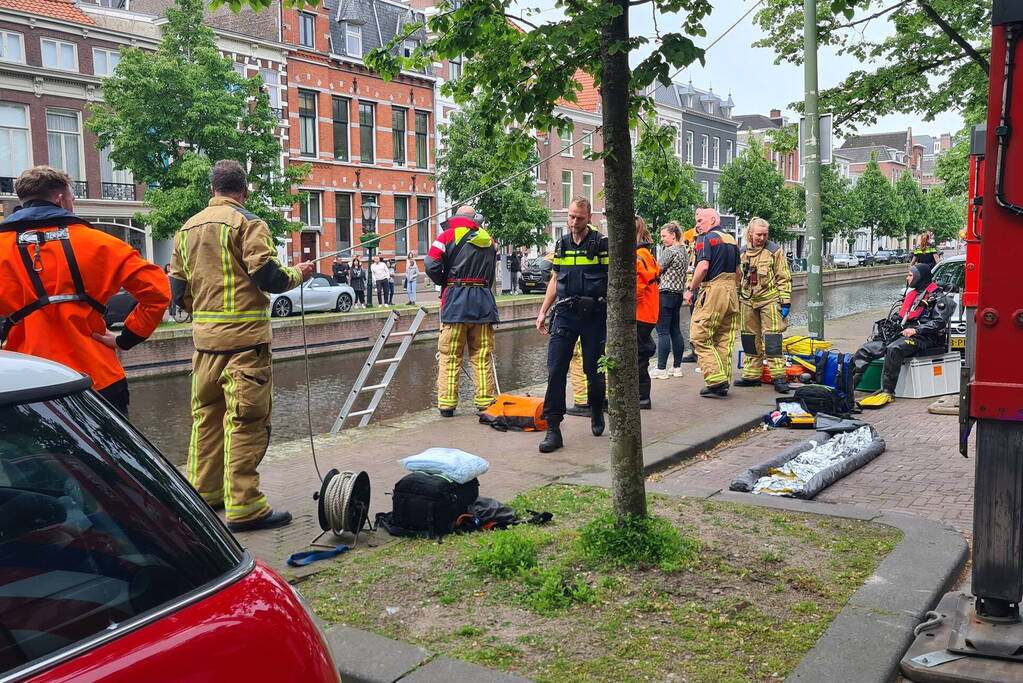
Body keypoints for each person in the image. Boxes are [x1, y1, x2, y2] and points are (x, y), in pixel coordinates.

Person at [169, 159, 313, 532]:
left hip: (204, 346)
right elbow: (268, 276)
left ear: (212, 190)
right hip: (245, 345)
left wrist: (203, 316)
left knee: (207, 420)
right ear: (244, 190)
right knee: (246, 421)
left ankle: (206, 494)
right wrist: (300, 274)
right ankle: (246, 506)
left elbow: (177, 288)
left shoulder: (186, 229)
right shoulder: (248, 223)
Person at [0, 166, 169, 417]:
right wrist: (126, 338)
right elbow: (157, 292)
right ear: (61, 199)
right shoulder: (100, 243)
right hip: (96, 376)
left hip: (26, 382)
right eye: (72, 198)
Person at [535, 197, 608, 452]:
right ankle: (553, 428)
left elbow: (612, 280)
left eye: (579, 218)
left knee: (593, 370)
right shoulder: (562, 244)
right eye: (571, 217)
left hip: (593, 316)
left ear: (589, 218)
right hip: (565, 313)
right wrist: (543, 311)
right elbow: (555, 279)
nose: (574, 222)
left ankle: (597, 407)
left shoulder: (601, 244)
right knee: (555, 370)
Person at [426, 205, 499, 417]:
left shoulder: (447, 236)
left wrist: (445, 282)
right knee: (482, 354)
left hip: (456, 302)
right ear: (475, 218)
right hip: (482, 303)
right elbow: (492, 272)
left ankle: (447, 405)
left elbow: (430, 263)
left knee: (450, 354)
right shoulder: (488, 240)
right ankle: (485, 402)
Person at [852, 264, 954, 408]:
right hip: (901, 334)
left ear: (920, 277)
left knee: (894, 348)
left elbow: (939, 323)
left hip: (926, 338)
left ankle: (888, 391)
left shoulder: (939, 298)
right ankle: (848, 389)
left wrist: (917, 330)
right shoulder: (911, 295)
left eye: (910, 275)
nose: (907, 278)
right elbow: (900, 315)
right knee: (866, 349)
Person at [683, 207, 740, 398]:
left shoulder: (706, 239)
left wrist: (691, 289)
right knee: (723, 338)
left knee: (699, 336)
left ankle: (716, 380)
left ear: (713, 220)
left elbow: (703, 266)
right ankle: (723, 381)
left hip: (713, 290)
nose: (697, 225)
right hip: (731, 290)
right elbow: (738, 271)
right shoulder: (732, 240)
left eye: (700, 221)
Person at [734, 217, 792, 394]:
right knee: (749, 339)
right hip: (747, 300)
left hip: (769, 299)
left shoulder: (774, 251)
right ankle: (752, 375)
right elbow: (737, 278)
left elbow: (783, 276)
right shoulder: (742, 253)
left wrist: (785, 301)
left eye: (765, 235)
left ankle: (779, 377)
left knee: (773, 339)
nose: (762, 238)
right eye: (759, 234)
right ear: (750, 233)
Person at [651, 221, 688, 379]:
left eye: (664, 236)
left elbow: (656, 270)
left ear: (673, 235)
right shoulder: (683, 251)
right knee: (675, 330)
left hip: (665, 293)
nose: (662, 239)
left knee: (663, 331)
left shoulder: (670, 251)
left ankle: (661, 369)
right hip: (678, 294)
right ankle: (677, 367)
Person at [635, 217, 660, 409]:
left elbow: (636, 289)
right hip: (650, 312)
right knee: (641, 354)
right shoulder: (647, 253)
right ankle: (643, 396)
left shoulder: (637, 256)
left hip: (640, 313)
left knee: (638, 356)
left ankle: (642, 397)